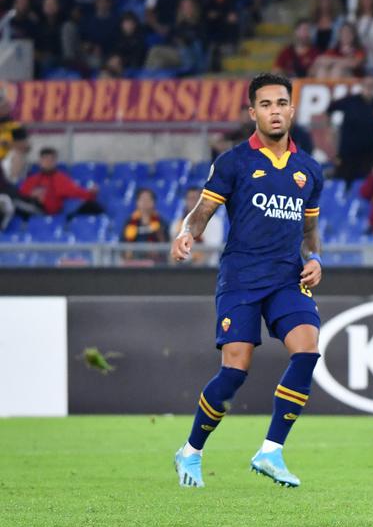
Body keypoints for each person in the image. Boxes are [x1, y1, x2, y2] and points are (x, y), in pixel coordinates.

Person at [170, 73, 324, 490]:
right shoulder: (234, 162)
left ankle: (271, 450)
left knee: (307, 349)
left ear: (292, 109)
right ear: (252, 112)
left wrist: (315, 260)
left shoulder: (309, 170)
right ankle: (191, 450)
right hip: (241, 278)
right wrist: (187, 232)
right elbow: (202, 211)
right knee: (236, 370)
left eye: (281, 103)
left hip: (287, 279)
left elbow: (309, 233)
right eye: (266, 104)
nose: (275, 111)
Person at [326, 76, 373, 183]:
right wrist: (330, 128)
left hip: (370, 151)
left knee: (368, 180)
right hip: (349, 150)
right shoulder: (350, 100)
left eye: (372, 85)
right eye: (367, 85)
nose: (369, 88)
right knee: (343, 178)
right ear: (361, 86)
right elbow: (330, 108)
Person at [20, 147, 100, 216]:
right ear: (40, 161)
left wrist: (91, 194)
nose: (48, 162)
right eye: (45, 159)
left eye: (51, 160)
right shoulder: (31, 180)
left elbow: (76, 192)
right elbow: (22, 196)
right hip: (30, 210)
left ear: (55, 162)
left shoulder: (60, 179)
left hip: (46, 212)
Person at [172, 186, 225, 264]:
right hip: (182, 268)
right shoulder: (178, 223)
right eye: (189, 199)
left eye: (195, 199)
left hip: (207, 268)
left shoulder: (215, 222)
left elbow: (211, 249)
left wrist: (196, 265)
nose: (192, 202)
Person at [121, 187, 169, 262]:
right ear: (137, 202)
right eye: (142, 199)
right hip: (134, 261)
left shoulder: (161, 222)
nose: (144, 202)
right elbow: (122, 244)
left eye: (148, 200)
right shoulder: (129, 222)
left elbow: (166, 245)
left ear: (153, 203)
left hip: (155, 263)